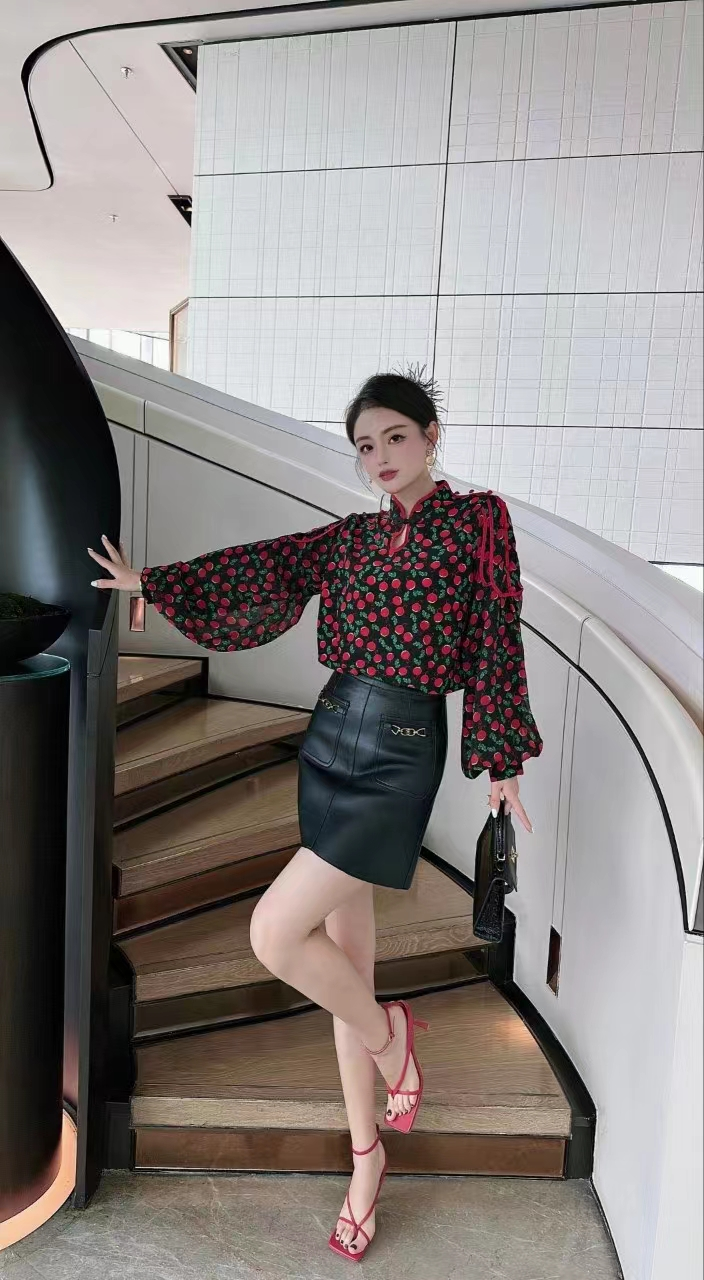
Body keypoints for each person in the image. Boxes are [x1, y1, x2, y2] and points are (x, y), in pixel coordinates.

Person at [88, 368, 543, 1261]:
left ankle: (391, 1038)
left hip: (400, 753)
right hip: (329, 739)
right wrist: (155, 582)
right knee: (347, 968)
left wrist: (501, 760)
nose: (380, 457)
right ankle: (366, 1159)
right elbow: (264, 568)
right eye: (366, 446)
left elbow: (499, 631)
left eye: (395, 437)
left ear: (431, 435)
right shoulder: (351, 538)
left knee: (273, 934)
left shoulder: (478, 522)